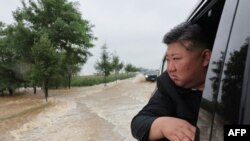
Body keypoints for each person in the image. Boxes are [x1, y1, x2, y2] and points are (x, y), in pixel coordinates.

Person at [131, 22, 212, 141]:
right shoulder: (168, 85)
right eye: (168, 60)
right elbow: (138, 123)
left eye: (176, 59)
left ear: (205, 58)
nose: (170, 68)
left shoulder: (233, 87)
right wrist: (163, 125)